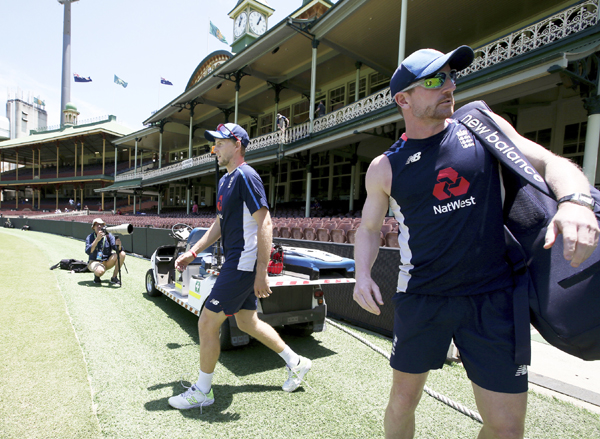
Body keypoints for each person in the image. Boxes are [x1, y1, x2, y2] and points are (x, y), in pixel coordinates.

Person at [353, 46, 599, 439]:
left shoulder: (481, 127)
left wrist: (577, 202)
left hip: (494, 296)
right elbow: (367, 229)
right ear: (403, 99)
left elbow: (552, 163)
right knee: (402, 401)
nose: (449, 86)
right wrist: (361, 273)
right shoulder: (385, 167)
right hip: (422, 296)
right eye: (434, 81)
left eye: (452, 77)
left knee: (506, 427)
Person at [169, 123, 312, 410]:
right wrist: (193, 250)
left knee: (207, 322)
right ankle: (297, 362)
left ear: (237, 144)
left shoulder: (247, 176)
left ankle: (203, 391)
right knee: (247, 322)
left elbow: (266, 222)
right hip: (237, 263)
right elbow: (220, 224)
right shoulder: (226, 180)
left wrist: (261, 272)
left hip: (243, 265)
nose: (214, 149)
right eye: (214, 144)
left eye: (220, 143)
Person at [85, 218, 126, 286]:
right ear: (93, 227)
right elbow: (88, 251)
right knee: (99, 271)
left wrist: (119, 245)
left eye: (101, 225)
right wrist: (97, 240)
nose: (99, 226)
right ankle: (97, 276)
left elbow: (117, 249)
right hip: (94, 262)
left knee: (122, 254)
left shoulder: (108, 235)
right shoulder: (90, 237)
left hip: (107, 261)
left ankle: (114, 277)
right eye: (97, 224)